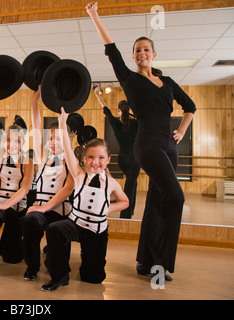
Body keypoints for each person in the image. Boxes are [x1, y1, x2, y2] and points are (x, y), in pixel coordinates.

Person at [86, 2, 196, 281]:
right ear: (134, 57)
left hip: (170, 147)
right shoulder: (130, 79)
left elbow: (190, 106)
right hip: (146, 143)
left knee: (157, 202)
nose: (141, 53)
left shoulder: (168, 81)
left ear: (154, 54)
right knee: (176, 197)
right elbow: (111, 50)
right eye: (137, 50)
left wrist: (181, 131)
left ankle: (145, 262)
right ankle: (161, 263)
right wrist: (94, 14)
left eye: (146, 49)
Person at [42, 109, 129, 291]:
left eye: (100, 158)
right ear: (84, 158)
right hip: (76, 224)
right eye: (90, 157)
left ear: (108, 160)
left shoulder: (112, 183)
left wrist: (108, 209)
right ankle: (59, 276)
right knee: (54, 229)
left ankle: (89, 267)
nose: (95, 162)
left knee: (93, 278)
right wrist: (62, 124)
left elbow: (125, 202)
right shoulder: (79, 175)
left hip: (96, 231)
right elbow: (66, 148)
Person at [21, 86, 74, 281]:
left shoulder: (71, 162)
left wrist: (44, 208)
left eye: (58, 138)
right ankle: (32, 267)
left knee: (56, 251)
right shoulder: (43, 157)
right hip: (41, 210)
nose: (53, 142)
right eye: (50, 138)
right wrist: (35, 100)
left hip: (59, 212)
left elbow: (68, 189)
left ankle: (58, 271)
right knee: (29, 222)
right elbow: (35, 127)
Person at [0, 95, 34, 273]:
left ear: (22, 143)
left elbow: (25, 188)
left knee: (11, 258)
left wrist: (6, 205)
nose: (12, 144)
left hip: (16, 209)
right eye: (8, 139)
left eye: (17, 140)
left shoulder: (27, 161)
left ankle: (17, 242)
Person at [93, 86, 140, 218]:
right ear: (129, 110)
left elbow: (106, 110)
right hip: (135, 159)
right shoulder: (136, 123)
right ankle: (126, 215)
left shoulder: (116, 124)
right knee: (130, 186)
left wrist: (97, 95)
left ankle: (130, 210)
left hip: (122, 159)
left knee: (133, 183)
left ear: (119, 111)